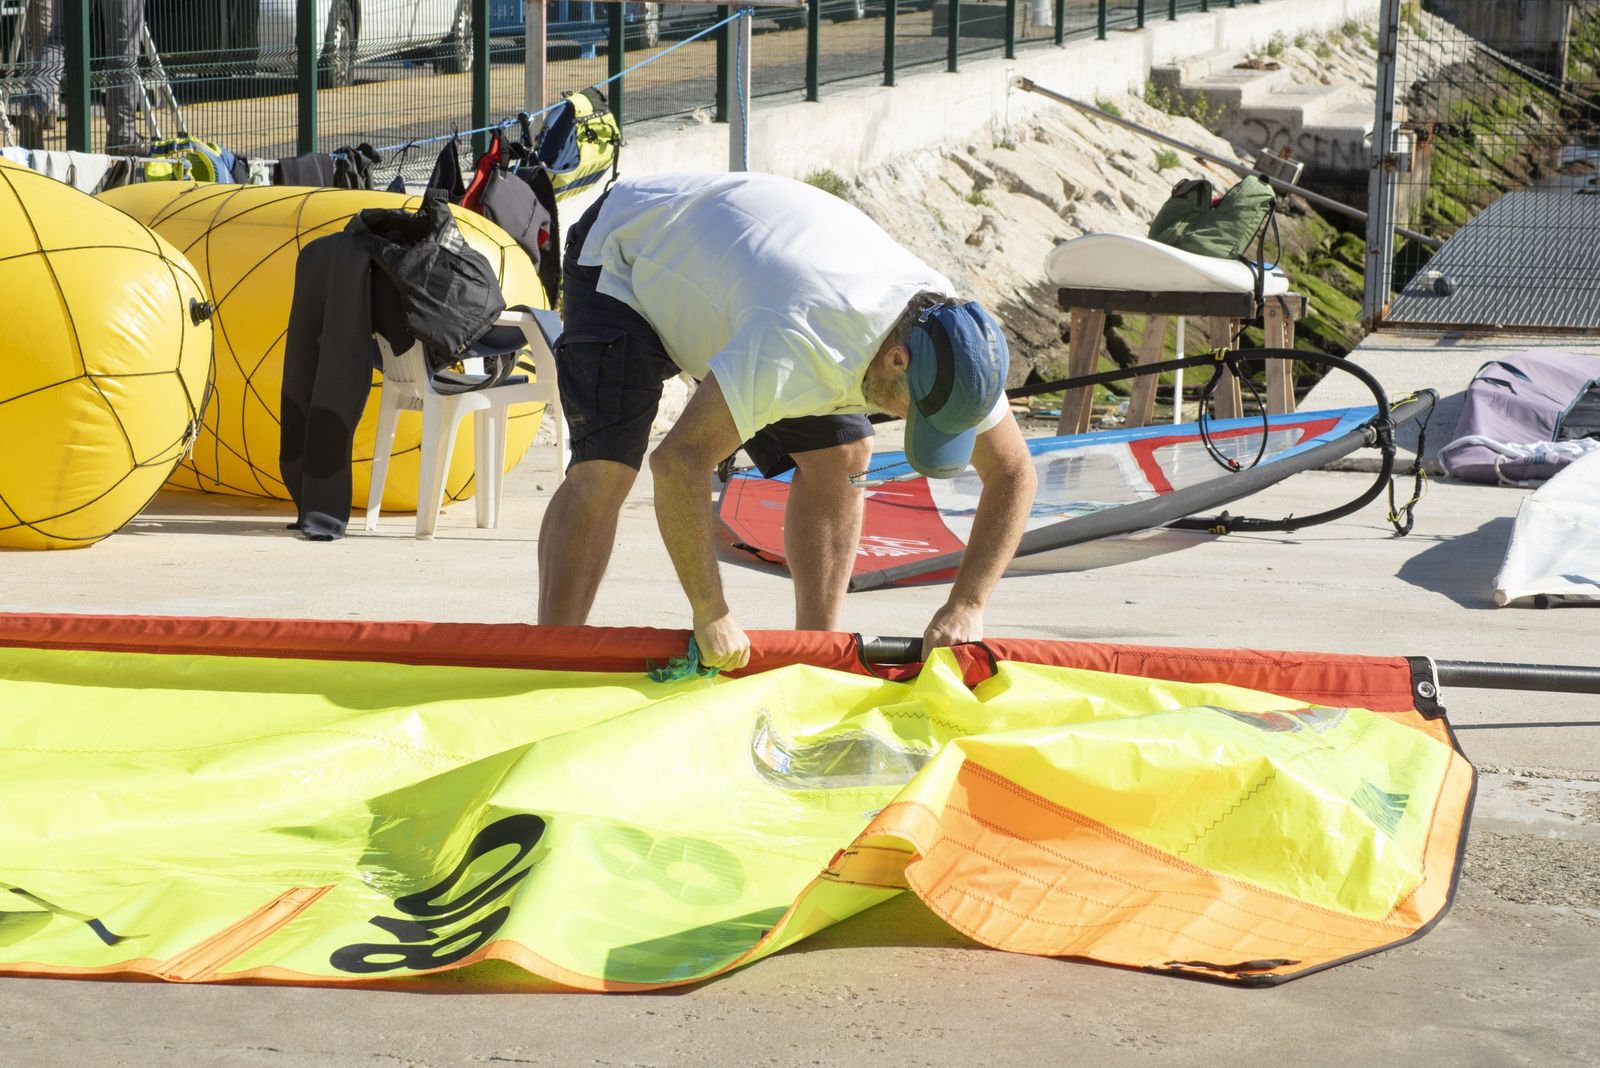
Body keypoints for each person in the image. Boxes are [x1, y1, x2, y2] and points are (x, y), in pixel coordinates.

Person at [538, 171, 1037, 671]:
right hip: (627, 254)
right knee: (605, 471)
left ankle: (817, 655)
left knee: (844, 456)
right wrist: (712, 611)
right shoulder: (798, 339)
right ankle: (548, 658)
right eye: (918, 413)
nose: (914, 422)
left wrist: (967, 604)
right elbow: (679, 462)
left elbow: (1013, 472)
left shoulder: (958, 345)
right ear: (897, 360)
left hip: (743, 276)